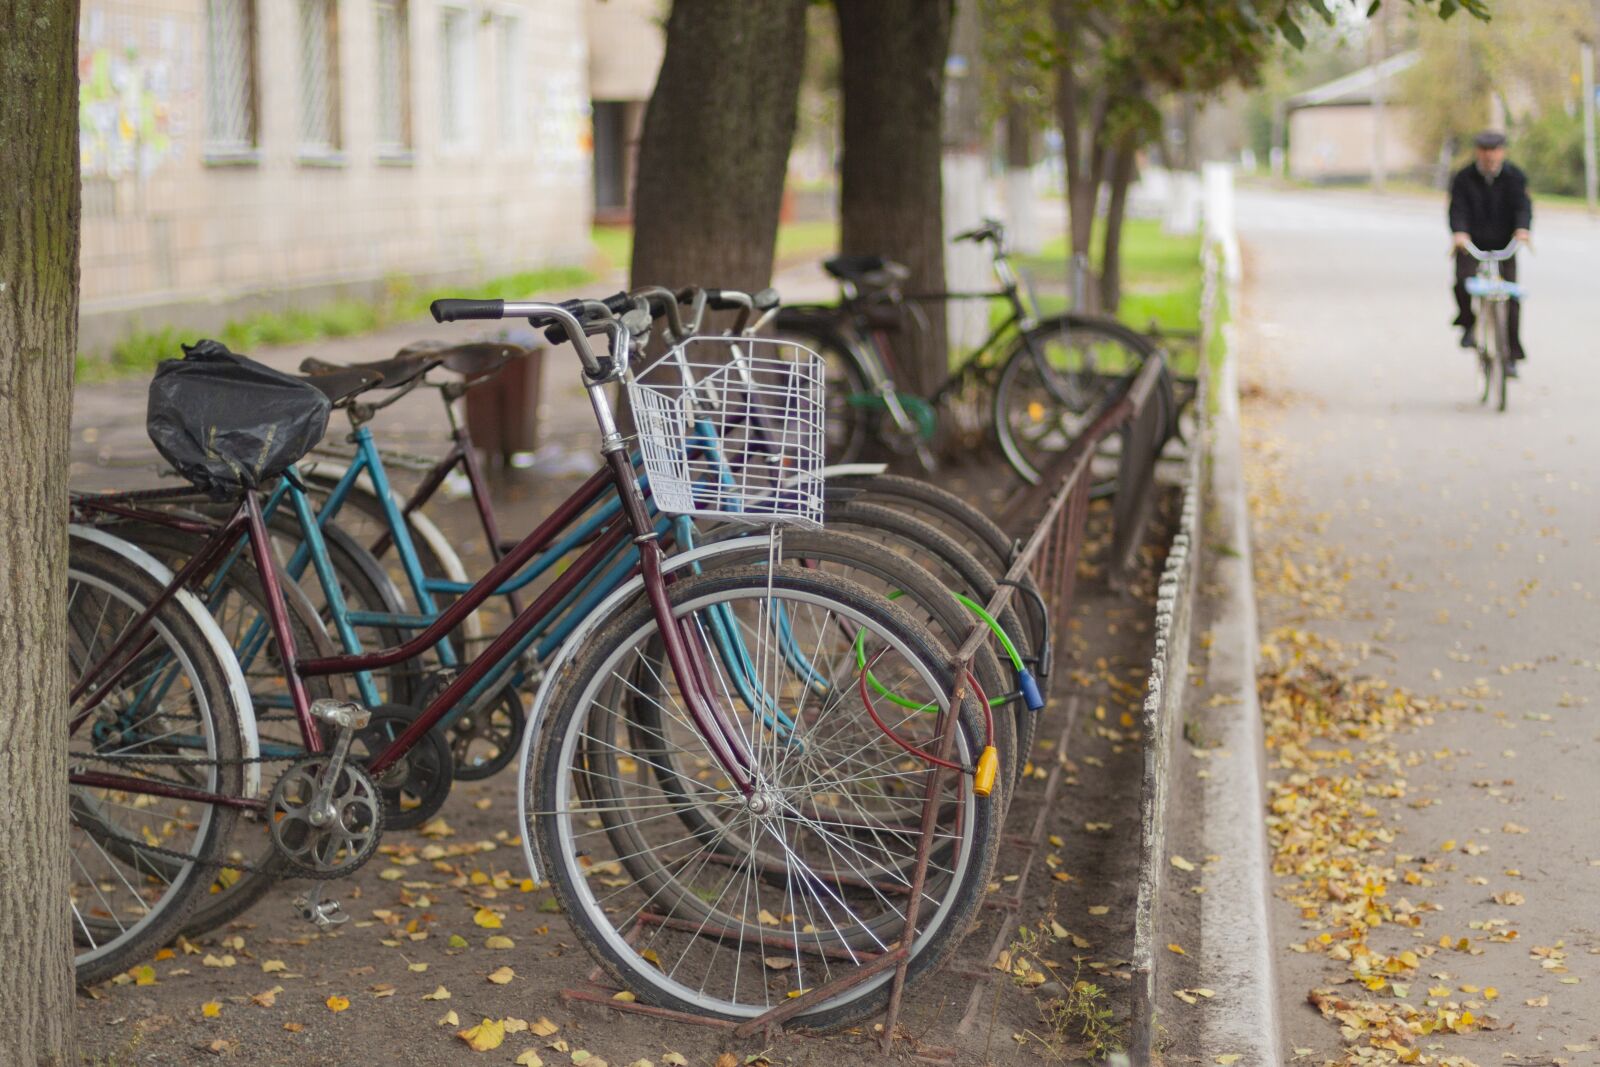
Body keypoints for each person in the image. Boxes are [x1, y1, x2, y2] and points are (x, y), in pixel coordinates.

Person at [1449, 130, 1532, 374]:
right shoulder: (1464, 177)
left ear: (1502, 151)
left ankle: (1511, 355)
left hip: (1504, 243)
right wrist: (1459, 233)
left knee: (1511, 296)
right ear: (1478, 151)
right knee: (1462, 282)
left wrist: (1522, 230)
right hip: (1471, 243)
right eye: (1485, 150)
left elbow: (1523, 207)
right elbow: (1457, 209)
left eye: (1494, 150)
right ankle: (1468, 323)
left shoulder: (1515, 176)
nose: (1490, 155)